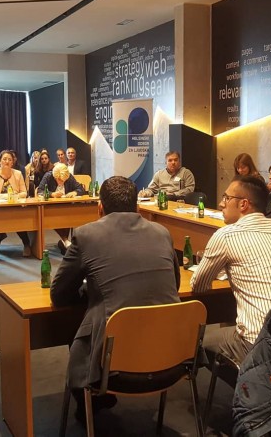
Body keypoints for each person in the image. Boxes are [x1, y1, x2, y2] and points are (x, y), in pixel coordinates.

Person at [51, 176, 180, 422]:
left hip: (112, 369)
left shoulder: (85, 235)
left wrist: (91, 294)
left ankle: (90, 400)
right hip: (172, 360)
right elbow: (175, 285)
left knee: (84, 318)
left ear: (100, 208)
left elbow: (59, 295)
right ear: (137, 207)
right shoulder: (163, 233)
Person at [190, 176, 271, 364]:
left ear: (243, 204)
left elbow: (199, 285)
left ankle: (246, 379)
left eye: (227, 198)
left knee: (199, 341)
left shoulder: (226, 235)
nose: (221, 204)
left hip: (257, 343)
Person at [0, 150, 35, 259]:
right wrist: (6, 197)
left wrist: (14, 197)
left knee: (16, 219)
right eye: (4, 159)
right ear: (0, 161)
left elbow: (24, 193)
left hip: (15, 206)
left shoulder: (18, 174)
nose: (7, 161)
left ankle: (26, 245)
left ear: (13, 162)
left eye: (9, 159)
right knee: (2, 220)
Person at [38, 162, 86, 253]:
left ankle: (64, 242)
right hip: (50, 207)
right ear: (55, 176)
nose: (61, 182)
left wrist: (74, 192)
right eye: (59, 179)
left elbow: (81, 189)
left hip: (65, 206)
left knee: (67, 215)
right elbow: (40, 191)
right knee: (54, 217)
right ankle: (65, 240)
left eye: (64, 180)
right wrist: (52, 194)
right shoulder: (48, 176)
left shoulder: (69, 176)